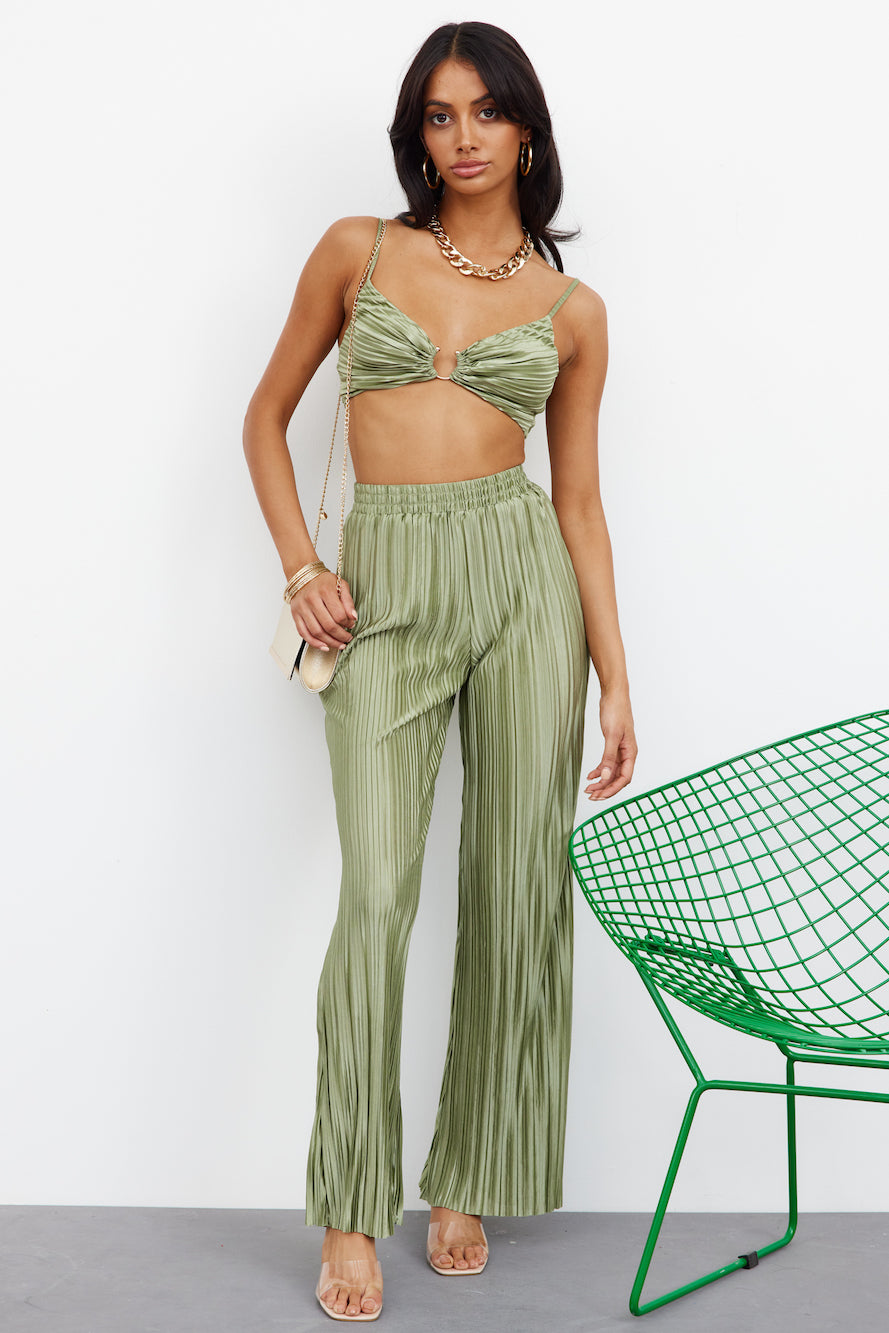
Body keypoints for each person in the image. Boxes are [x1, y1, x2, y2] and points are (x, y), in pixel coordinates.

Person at [243, 20, 637, 1323]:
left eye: (486, 111)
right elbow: (264, 417)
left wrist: (616, 678)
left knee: (516, 887)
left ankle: (469, 1173)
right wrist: (302, 565)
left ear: (527, 130)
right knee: (376, 896)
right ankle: (353, 1207)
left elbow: (578, 505)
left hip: (523, 585)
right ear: (417, 133)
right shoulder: (358, 251)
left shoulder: (574, 313)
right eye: (438, 114)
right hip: (386, 588)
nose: (462, 137)